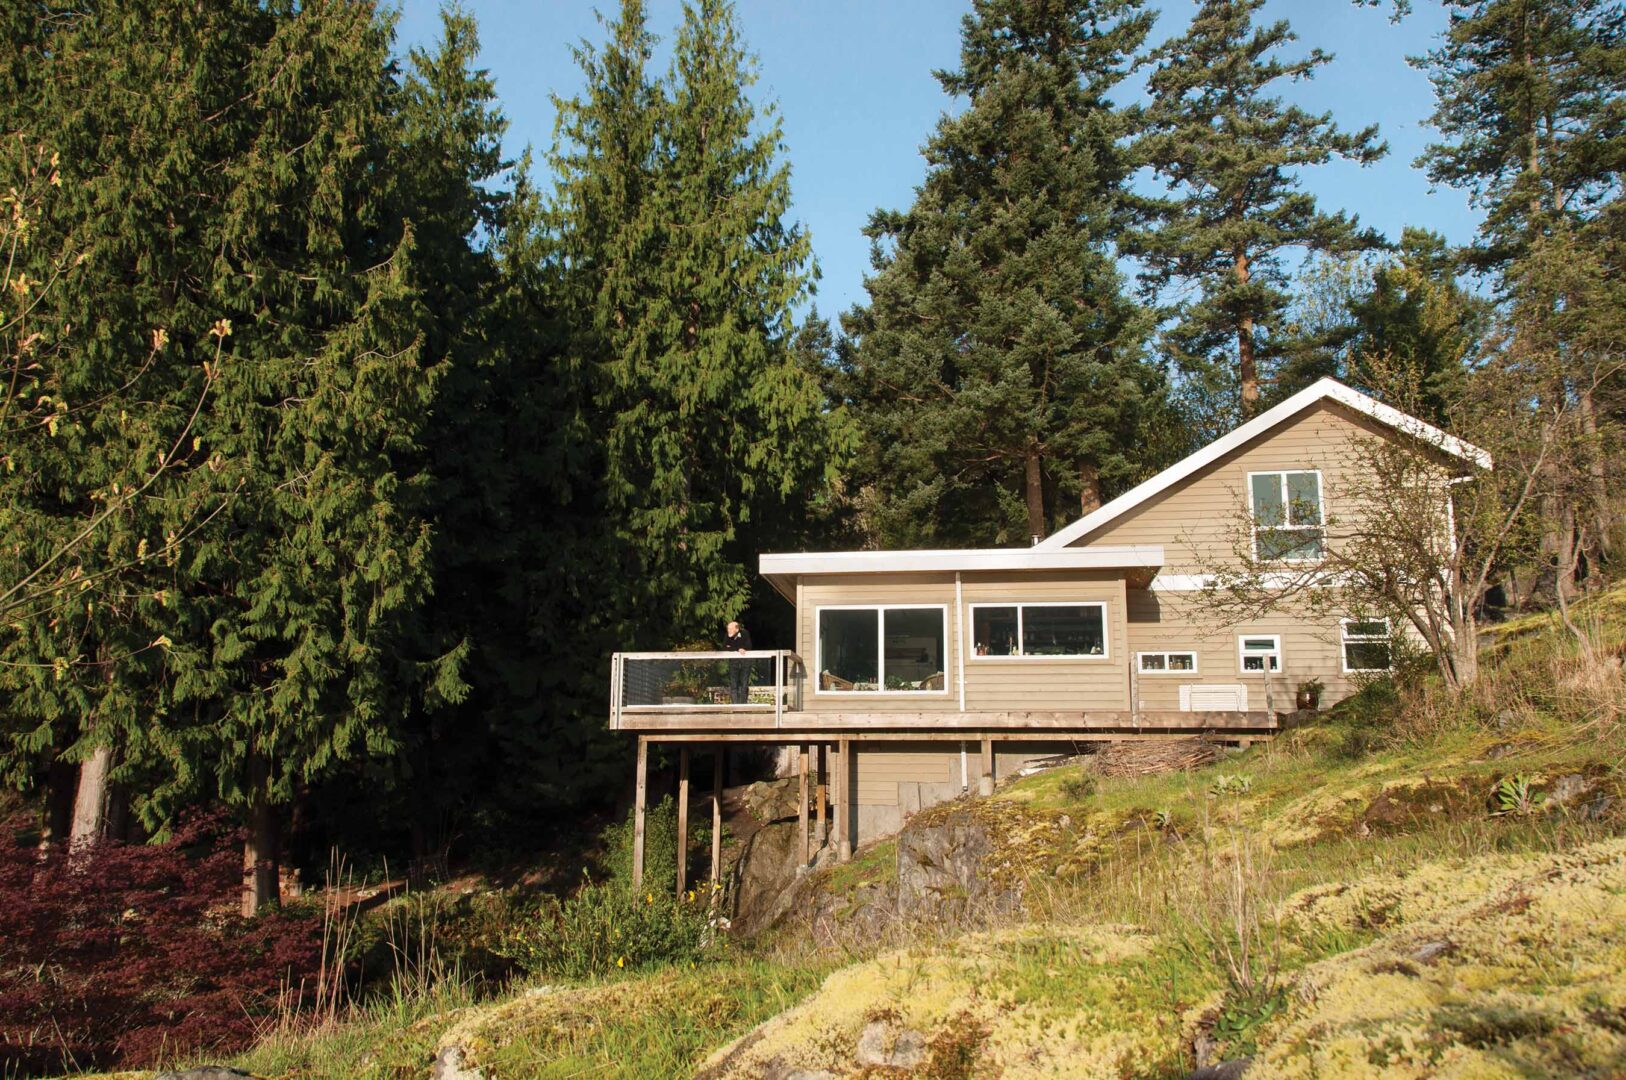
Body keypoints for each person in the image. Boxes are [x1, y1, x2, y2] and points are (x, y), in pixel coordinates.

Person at [722, 619, 753, 704]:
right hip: (733, 662)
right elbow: (724, 647)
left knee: (744, 684)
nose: (728, 630)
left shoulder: (745, 633)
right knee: (733, 684)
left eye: (730, 629)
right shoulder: (727, 635)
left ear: (737, 629)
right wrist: (738, 648)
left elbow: (748, 646)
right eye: (728, 628)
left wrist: (732, 646)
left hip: (745, 662)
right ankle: (734, 705)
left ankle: (743, 705)